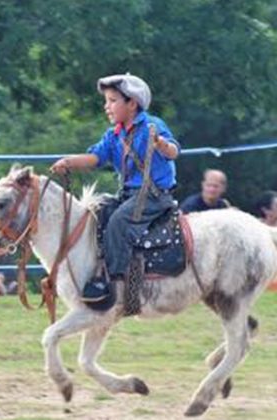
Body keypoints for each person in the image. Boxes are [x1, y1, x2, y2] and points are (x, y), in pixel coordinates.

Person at [50, 72, 180, 308]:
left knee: (119, 221)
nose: (106, 106)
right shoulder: (114, 135)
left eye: (112, 100)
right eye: (106, 100)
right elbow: (96, 157)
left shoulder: (152, 126)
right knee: (98, 212)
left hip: (153, 195)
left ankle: (112, 281)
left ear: (132, 103)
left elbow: (173, 151)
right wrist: (69, 161)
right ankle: (95, 267)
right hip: (130, 195)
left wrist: (161, 145)